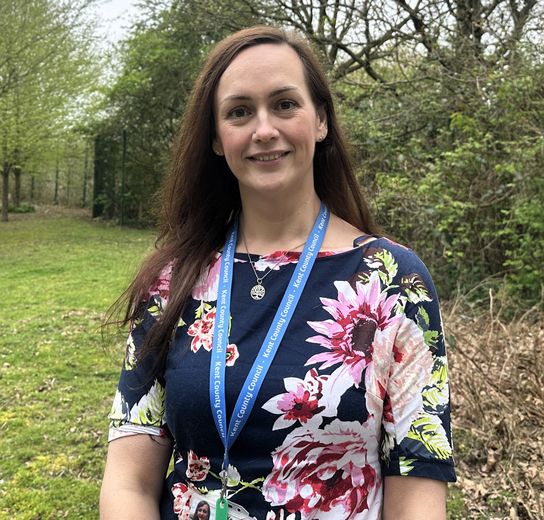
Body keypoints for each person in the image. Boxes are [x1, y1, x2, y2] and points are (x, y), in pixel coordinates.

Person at [99, 25, 455, 520]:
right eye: (239, 111)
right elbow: (128, 483)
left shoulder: (394, 280)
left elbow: (416, 490)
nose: (263, 129)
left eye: (285, 104)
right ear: (218, 140)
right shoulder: (170, 282)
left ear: (321, 121)